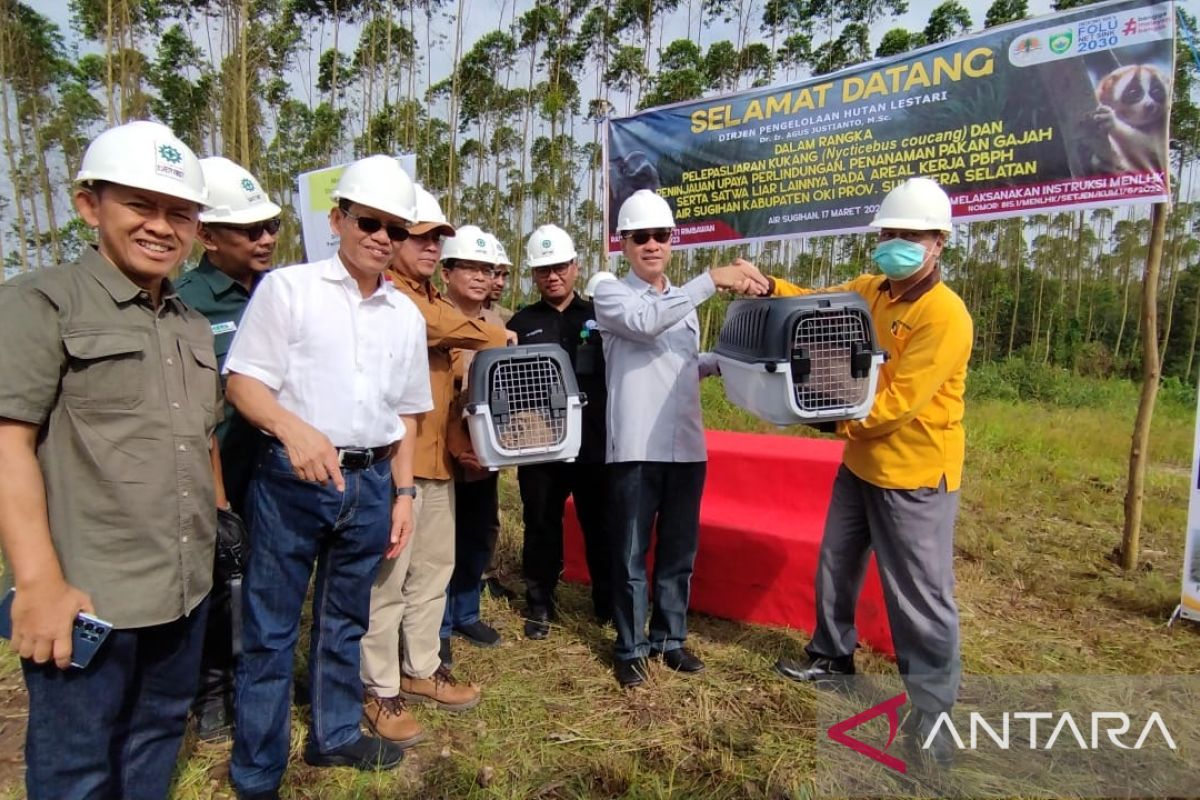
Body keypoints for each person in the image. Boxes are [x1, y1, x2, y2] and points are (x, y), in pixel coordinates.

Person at [0, 120, 223, 800]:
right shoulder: (41, 301)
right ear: (89, 205)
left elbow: (200, 437)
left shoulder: (189, 324)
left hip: (183, 588)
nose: (162, 226)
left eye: (179, 212)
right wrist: (38, 583)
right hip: (90, 597)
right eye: (141, 206)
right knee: (77, 767)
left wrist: (222, 513)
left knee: (155, 734)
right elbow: (8, 445)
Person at [225, 154, 433, 798]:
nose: (381, 238)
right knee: (271, 625)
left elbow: (406, 415)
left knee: (346, 618)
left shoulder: (405, 313)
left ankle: (336, 733)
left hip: (371, 484)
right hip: (292, 481)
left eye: (396, 230)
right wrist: (293, 429)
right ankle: (258, 765)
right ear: (338, 219)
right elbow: (243, 383)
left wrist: (403, 494)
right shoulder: (288, 289)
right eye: (369, 222)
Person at [767, 178, 973, 766]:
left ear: (938, 243)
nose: (896, 244)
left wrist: (825, 421)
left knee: (919, 597)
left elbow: (897, 404)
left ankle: (932, 713)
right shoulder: (871, 290)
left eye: (911, 236)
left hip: (912, 474)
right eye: (889, 234)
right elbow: (815, 298)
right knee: (836, 561)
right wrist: (771, 285)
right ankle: (832, 656)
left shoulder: (945, 315)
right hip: (861, 466)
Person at [592, 190, 769, 688]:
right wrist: (711, 279)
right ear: (622, 243)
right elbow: (646, 325)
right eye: (640, 237)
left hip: (686, 447)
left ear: (673, 241)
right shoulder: (609, 291)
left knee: (677, 551)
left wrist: (729, 360)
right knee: (629, 553)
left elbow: (684, 364)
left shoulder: (682, 302)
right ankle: (630, 647)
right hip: (635, 447)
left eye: (660, 236)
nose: (651, 245)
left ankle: (671, 639)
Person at [360, 188, 509, 745]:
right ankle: (379, 686)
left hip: (436, 462)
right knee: (388, 581)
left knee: (433, 573)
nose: (428, 246)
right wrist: (496, 331)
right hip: (393, 465)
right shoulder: (392, 294)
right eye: (419, 235)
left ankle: (421, 669)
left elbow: (446, 385)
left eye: (435, 238)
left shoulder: (427, 296)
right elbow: (453, 328)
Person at [176, 155, 281, 742]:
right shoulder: (187, 299)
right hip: (213, 475)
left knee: (268, 579)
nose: (265, 238)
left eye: (270, 227)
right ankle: (212, 690)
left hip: (276, 470)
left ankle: (258, 676)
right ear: (208, 236)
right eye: (250, 229)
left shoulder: (281, 290)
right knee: (215, 584)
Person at [507, 224, 613, 640]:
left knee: (602, 526)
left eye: (560, 266)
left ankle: (607, 603)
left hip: (594, 444)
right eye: (543, 269)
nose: (553, 276)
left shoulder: (600, 316)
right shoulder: (519, 322)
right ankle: (539, 605)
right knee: (541, 524)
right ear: (533, 274)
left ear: (576, 265)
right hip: (541, 446)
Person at [438, 226, 507, 667]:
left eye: (488, 269)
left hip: (487, 451)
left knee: (477, 534)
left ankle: (466, 610)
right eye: (471, 268)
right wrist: (457, 441)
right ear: (447, 272)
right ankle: (436, 626)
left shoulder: (499, 323)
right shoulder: (432, 317)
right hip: (442, 452)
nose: (482, 277)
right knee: (439, 544)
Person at [485, 233, 515, 323]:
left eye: (504, 275)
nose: (500, 283)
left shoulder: (508, 318)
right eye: (495, 274)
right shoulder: (448, 314)